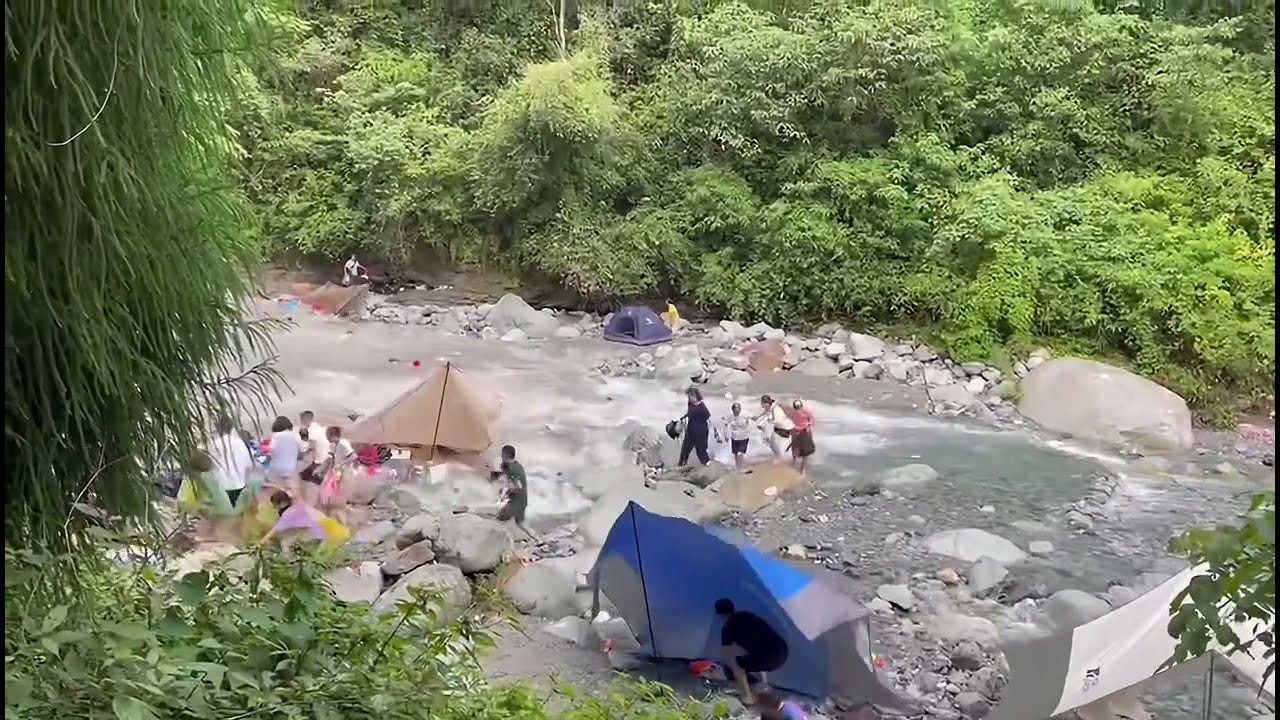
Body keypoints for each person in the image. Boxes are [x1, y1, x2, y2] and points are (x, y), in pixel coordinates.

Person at [715, 598, 788, 704]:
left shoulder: (727, 628)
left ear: (720, 615)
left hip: (769, 658)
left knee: (736, 665)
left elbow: (725, 654)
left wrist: (723, 667)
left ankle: (747, 697)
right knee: (759, 651)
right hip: (782, 651)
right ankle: (763, 686)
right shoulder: (747, 615)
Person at [208, 415, 254, 507]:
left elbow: (209, 465)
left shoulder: (214, 444)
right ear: (231, 428)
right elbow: (249, 465)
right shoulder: (239, 443)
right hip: (239, 484)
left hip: (221, 486)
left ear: (217, 428)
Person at [494, 445, 537, 541]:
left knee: (500, 519)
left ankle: (506, 542)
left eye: (502, 455)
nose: (501, 457)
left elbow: (518, 486)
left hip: (517, 501)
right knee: (520, 523)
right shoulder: (514, 466)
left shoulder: (514, 469)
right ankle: (538, 539)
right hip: (521, 500)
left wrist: (506, 491)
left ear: (506, 455)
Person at [266, 415, 302, 493]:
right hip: (291, 469)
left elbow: (271, 451)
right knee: (291, 492)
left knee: (278, 492)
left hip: (276, 470)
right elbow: (301, 450)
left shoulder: (275, 436)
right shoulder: (295, 435)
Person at [678, 387, 712, 466]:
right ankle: (681, 465)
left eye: (690, 396)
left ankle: (707, 464)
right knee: (685, 450)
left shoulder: (702, 407)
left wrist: (716, 433)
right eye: (688, 397)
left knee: (701, 451)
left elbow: (709, 420)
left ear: (695, 396)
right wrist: (683, 418)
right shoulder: (690, 403)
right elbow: (689, 413)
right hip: (690, 431)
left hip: (700, 432)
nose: (689, 398)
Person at [298, 410, 329, 485]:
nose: (301, 421)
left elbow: (312, 448)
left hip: (320, 460)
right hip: (324, 458)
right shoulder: (315, 427)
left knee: (300, 475)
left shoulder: (312, 430)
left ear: (307, 419)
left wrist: (300, 456)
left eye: (302, 419)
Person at [722, 401, 752, 470]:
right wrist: (726, 435)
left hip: (744, 436)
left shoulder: (745, 414)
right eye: (735, 412)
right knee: (735, 453)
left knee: (740, 453)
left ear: (740, 410)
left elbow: (755, 417)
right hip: (734, 437)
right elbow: (726, 425)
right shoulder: (730, 416)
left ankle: (741, 467)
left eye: (737, 412)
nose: (736, 413)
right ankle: (738, 466)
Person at [788, 399, 815, 474]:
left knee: (805, 452)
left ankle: (802, 469)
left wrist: (808, 426)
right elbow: (790, 422)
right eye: (796, 408)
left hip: (805, 433)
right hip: (796, 432)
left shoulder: (807, 413)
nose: (798, 410)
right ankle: (794, 462)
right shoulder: (792, 414)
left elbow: (812, 421)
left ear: (801, 406)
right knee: (795, 450)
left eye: (799, 407)